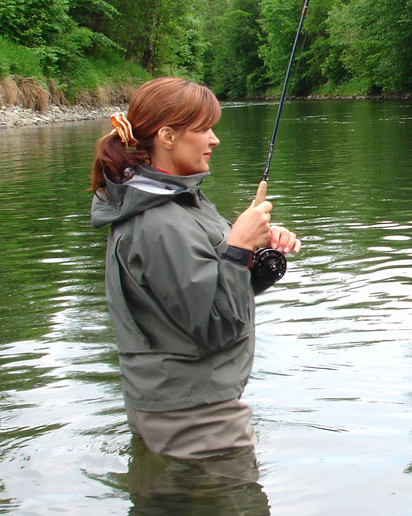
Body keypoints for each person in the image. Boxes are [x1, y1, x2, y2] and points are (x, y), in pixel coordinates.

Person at [90, 77, 299, 460]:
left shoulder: (178, 203)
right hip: (195, 420)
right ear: (167, 136)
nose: (214, 139)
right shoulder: (160, 223)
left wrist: (255, 254)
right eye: (203, 129)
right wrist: (237, 247)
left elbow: (202, 291)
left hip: (179, 406)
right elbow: (215, 325)